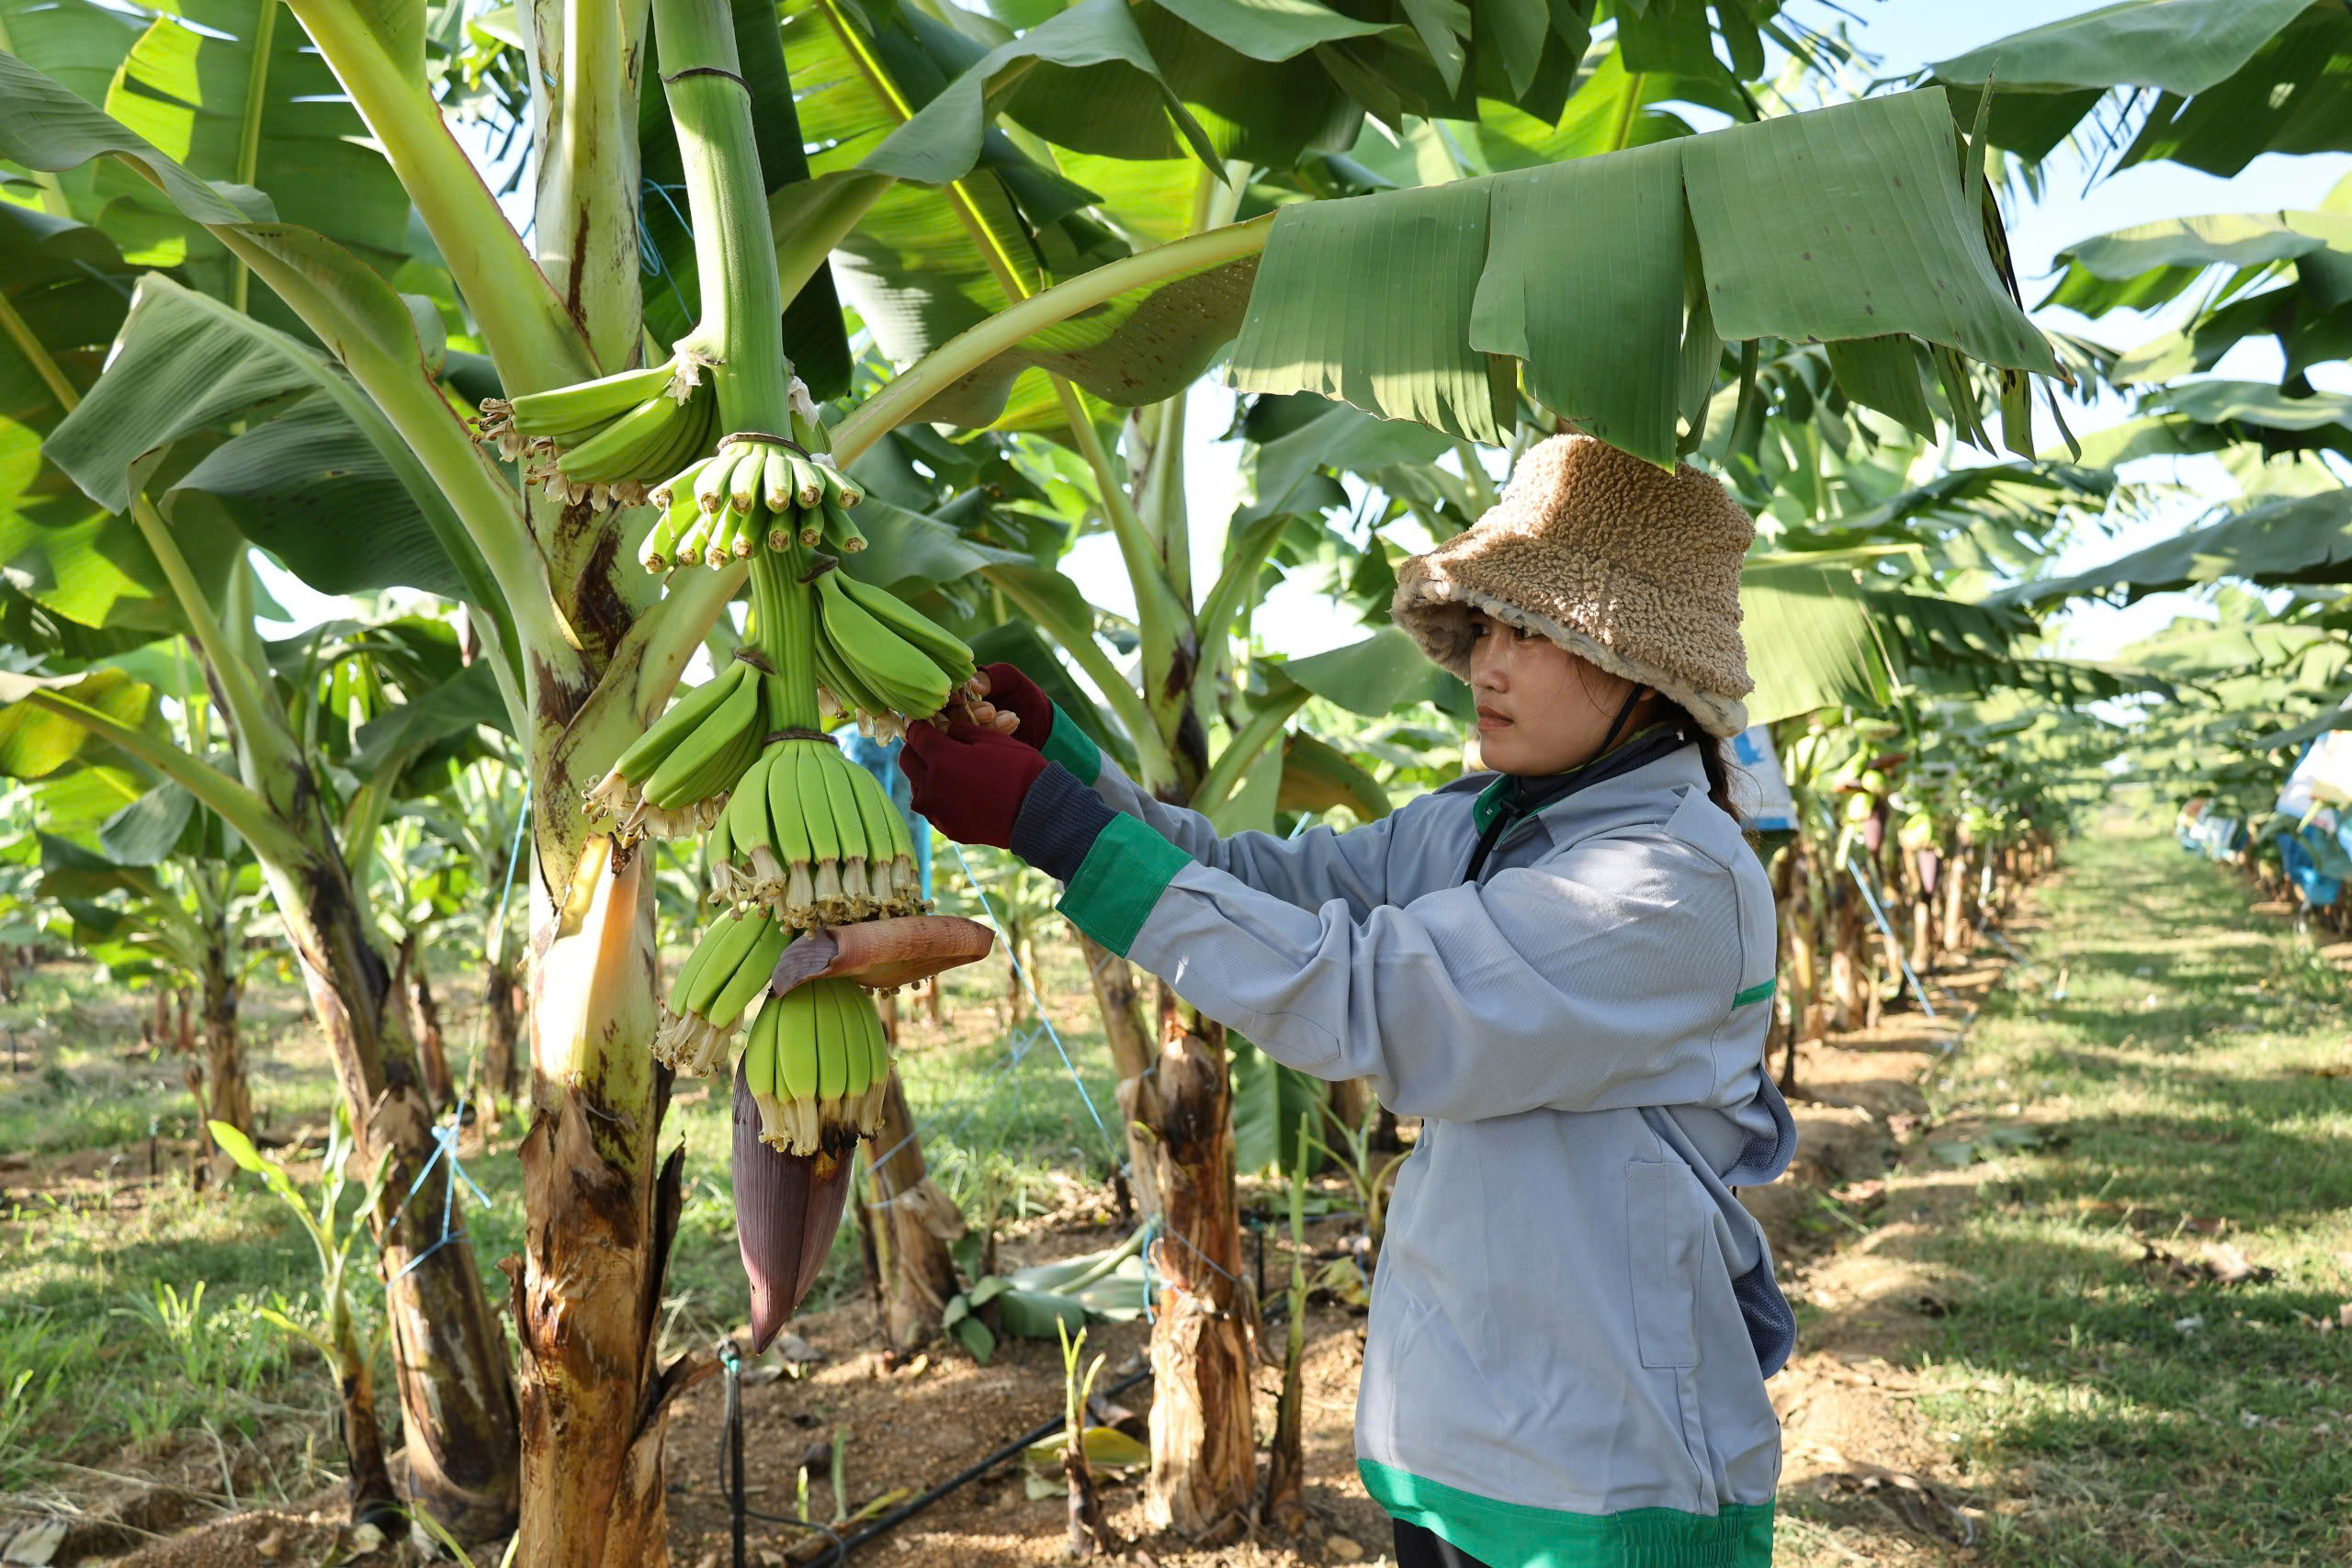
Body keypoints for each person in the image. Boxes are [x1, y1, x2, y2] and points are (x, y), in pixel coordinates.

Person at [903, 434, 1795, 1568]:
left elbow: (1367, 993)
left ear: (1640, 672)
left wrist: (1056, 830)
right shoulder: (1479, 823)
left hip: (1604, 1471)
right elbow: (1260, 881)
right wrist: (1067, 768)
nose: (1487, 664)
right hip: (1456, 1438)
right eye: (1485, 626)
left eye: (1531, 631)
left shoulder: (1668, 882)